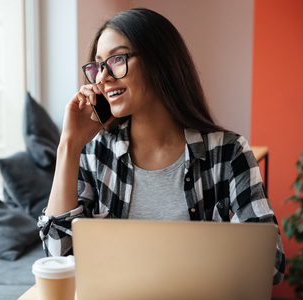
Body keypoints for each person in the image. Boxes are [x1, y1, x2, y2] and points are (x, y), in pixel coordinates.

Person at [37, 8, 284, 285]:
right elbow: (59, 256)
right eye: (98, 65)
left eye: (117, 59)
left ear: (159, 61)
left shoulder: (228, 152)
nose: (102, 78)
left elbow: (270, 265)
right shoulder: (94, 153)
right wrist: (68, 145)